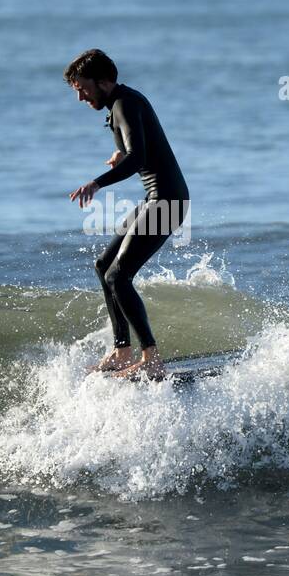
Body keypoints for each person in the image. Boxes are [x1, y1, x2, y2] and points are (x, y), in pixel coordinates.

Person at [66, 49, 189, 379]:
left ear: (103, 82)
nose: (80, 96)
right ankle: (122, 351)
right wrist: (120, 152)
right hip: (158, 197)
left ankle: (151, 357)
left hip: (167, 200)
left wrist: (97, 182)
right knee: (104, 266)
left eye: (83, 88)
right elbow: (139, 148)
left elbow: (139, 158)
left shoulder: (124, 103)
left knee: (119, 276)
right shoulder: (121, 103)